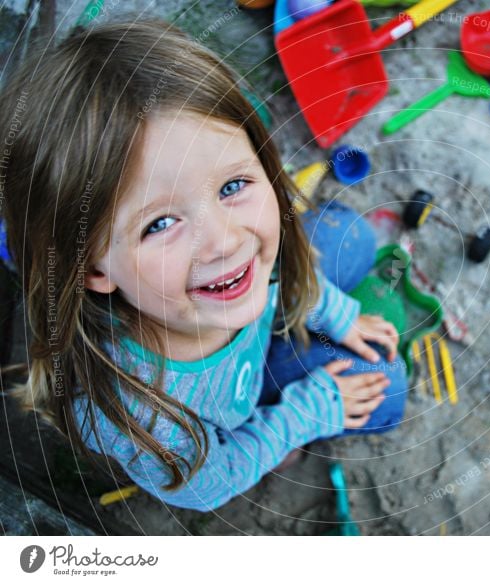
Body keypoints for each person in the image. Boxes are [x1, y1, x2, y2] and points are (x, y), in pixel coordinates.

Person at [0, 20, 407, 512]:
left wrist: (336, 314)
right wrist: (308, 413)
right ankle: (271, 441)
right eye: (160, 223)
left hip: (252, 340)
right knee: (388, 386)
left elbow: (276, 281)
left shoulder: (219, 271)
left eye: (233, 186)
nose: (225, 240)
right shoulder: (139, 413)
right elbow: (208, 484)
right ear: (93, 270)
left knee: (350, 235)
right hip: (230, 412)